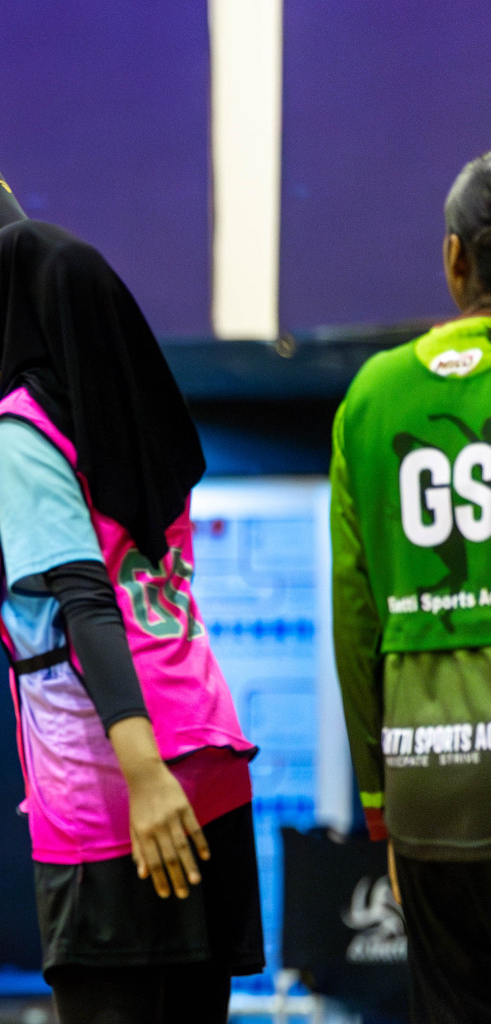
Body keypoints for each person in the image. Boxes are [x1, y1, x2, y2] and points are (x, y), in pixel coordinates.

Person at [0, 26, 264, 1023]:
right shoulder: (130, 405)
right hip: (208, 756)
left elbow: (82, 599)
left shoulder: (18, 432)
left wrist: (139, 775)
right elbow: (41, 270)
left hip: (116, 786)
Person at [331, 152, 491, 1024]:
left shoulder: (372, 396)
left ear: (454, 260)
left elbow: (355, 621)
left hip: (430, 779)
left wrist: (378, 802)